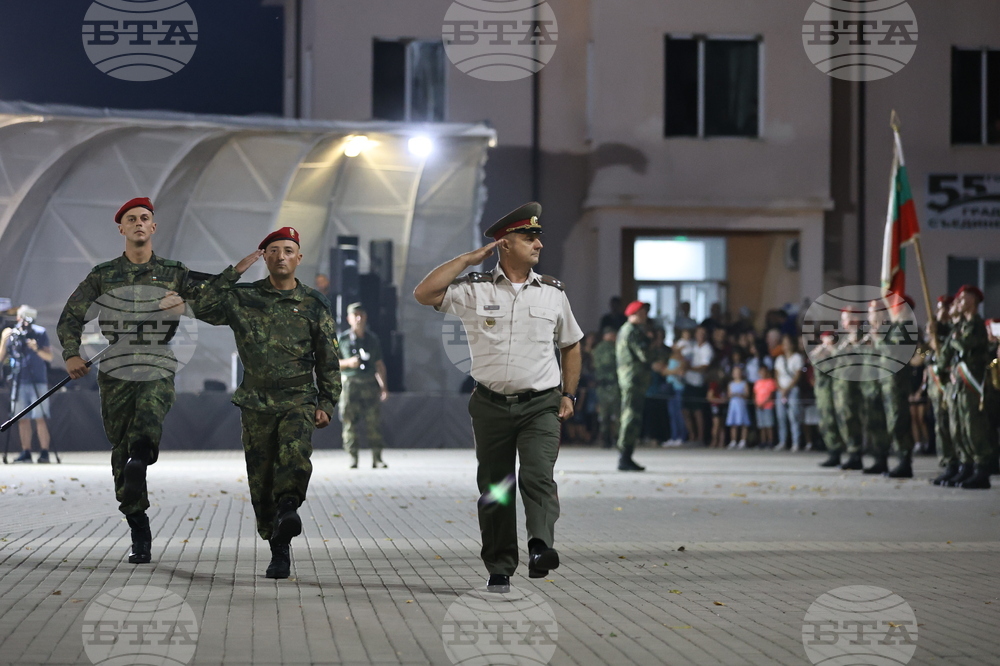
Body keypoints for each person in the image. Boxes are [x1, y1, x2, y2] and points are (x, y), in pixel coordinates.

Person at [413, 201, 583, 594]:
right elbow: (424, 293)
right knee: (497, 489)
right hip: (490, 405)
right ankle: (500, 566)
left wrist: (569, 393)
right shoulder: (475, 290)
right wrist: (468, 258)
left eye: (538, 237)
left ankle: (540, 547)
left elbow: (571, 345)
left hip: (540, 403)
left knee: (538, 476)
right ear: (505, 245)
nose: (537, 244)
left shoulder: (553, 293)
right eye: (528, 238)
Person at [58, 197, 214, 565]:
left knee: (146, 421)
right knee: (120, 452)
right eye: (132, 219)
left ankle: (142, 454)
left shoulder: (175, 273)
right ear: (122, 229)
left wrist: (187, 305)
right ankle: (137, 522)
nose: (140, 223)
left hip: (157, 360)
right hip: (114, 367)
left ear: (153, 227)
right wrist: (71, 353)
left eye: (146, 218)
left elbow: (215, 302)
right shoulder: (103, 275)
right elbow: (70, 316)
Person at [192, 226, 342, 577]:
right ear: (265, 257)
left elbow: (328, 357)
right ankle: (278, 544)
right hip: (256, 401)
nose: (281, 256)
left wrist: (327, 402)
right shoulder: (243, 297)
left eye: (288, 250)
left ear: (299, 258)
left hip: (299, 398)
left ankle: (290, 507)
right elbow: (201, 305)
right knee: (261, 479)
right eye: (273, 250)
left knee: (294, 455)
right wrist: (235, 270)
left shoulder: (312, 303)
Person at [941, 285, 991, 489]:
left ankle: (981, 470)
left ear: (972, 302)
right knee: (959, 427)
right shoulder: (960, 326)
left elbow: (964, 345)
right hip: (959, 384)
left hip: (972, 384)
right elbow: (946, 354)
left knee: (973, 427)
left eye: (962, 299)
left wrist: (954, 339)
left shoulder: (976, 325)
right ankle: (966, 466)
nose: (958, 303)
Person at [338, 302, 388, 469]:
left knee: (373, 422)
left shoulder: (372, 339)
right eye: (355, 316)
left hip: (368, 384)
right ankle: (353, 458)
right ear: (349, 319)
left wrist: (383, 387)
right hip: (350, 384)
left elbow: (379, 365)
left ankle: (377, 458)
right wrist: (348, 363)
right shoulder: (342, 339)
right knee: (349, 423)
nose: (358, 319)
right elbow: (331, 363)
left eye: (361, 315)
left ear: (365, 317)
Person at [0, 305, 54, 463]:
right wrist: (4, 340)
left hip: (38, 380)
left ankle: (44, 452)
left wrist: (36, 348)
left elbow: (49, 357)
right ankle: (26, 451)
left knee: (40, 417)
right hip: (18, 380)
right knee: (21, 418)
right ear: (18, 317)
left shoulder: (39, 332)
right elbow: (2, 356)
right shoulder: (11, 334)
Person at [615, 300, 653, 470]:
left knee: (631, 416)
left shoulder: (627, 330)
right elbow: (645, 355)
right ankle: (624, 456)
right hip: (633, 380)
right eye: (643, 312)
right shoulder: (633, 332)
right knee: (630, 416)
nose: (645, 316)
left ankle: (627, 455)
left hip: (632, 379)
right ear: (634, 314)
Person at [928, 296, 957, 484]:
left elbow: (948, 353)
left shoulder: (951, 329)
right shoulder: (936, 329)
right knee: (940, 424)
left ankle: (955, 463)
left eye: (943, 309)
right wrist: (930, 337)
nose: (940, 313)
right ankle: (946, 462)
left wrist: (935, 337)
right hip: (934, 381)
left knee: (950, 424)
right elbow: (924, 354)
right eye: (938, 309)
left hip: (949, 380)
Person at [682, 326, 713, 444]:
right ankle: (692, 436)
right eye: (699, 333)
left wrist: (690, 368)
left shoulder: (707, 349)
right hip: (688, 381)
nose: (701, 335)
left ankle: (700, 438)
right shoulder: (693, 346)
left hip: (698, 383)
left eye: (703, 333)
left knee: (697, 411)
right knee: (686, 410)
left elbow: (705, 366)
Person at [773, 334, 804, 451]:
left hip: (792, 390)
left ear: (792, 344)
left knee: (793, 417)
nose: (785, 346)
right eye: (783, 343)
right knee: (781, 417)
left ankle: (796, 442)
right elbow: (776, 375)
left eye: (787, 343)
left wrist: (787, 389)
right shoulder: (779, 359)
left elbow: (797, 375)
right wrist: (780, 389)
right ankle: (782, 441)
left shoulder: (797, 357)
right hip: (780, 390)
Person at [591, 327, 619, 449]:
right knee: (616, 414)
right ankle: (615, 439)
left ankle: (606, 439)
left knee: (605, 414)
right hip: (612, 384)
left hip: (603, 385)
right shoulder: (612, 348)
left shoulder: (597, 349)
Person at [726, 364, 750, 449]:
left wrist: (740, 395)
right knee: (733, 423)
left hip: (741, 404)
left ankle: (743, 440)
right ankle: (733, 440)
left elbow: (747, 394)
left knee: (743, 423)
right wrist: (732, 395)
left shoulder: (744, 383)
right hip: (733, 404)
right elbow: (728, 395)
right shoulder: (731, 384)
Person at [753, 366, 777, 448]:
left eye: (764, 371)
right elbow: (755, 394)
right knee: (761, 426)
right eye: (761, 372)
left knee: (769, 425)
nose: (762, 373)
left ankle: (770, 442)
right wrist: (757, 404)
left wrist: (763, 403)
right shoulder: (758, 382)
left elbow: (771, 395)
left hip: (768, 406)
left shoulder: (771, 381)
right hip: (759, 407)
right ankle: (763, 442)